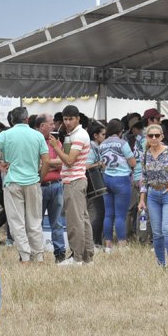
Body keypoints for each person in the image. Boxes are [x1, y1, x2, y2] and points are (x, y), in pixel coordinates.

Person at [0, 107, 50, 263]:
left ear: (12, 121)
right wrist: (40, 177)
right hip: (32, 181)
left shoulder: (6, 135)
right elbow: (46, 160)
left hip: (12, 182)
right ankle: (38, 256)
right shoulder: (37, 135)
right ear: (27, 119)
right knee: (34, 221)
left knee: (17, 222)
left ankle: (25, 257)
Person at [49, 105, 94, 266]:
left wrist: (55, 147)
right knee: (83, 220)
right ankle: (87, 257)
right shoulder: (72, 134)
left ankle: (77, 258)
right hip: (74, 180)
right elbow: (66, 159)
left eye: (70, 119)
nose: (67, 122)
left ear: (77, 119)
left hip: (74, 182)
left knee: (75, 222)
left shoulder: (79, 136)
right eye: (65, 119)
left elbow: (68, 160)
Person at [137, 124, 168, 266]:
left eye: (157, 135)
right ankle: (160, 264)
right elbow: (144, 178)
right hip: (153, 195)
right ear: (147, 138)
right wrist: (142, 199)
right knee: (157, 233)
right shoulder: (144, 155)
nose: (154, 138)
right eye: (151, 136)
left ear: (162, 136)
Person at [99, 119, 137, 252]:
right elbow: (133, 163)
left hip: (106, 178)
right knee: (121, 215)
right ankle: (122, 243)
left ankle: (108, 244)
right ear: (120, 131)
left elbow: (102, 163)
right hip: (121, 179)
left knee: (108, 214)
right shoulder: (123, 143)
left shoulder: (102, 144)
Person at [34, 113, 67, 263]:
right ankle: (37, 253)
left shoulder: (55, 142)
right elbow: (36, 165)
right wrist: (52, 163)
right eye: (51, 123)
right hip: (39, 186)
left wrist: (47, 163)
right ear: (42, 126)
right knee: (36, 223)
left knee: (57, 222)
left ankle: (60, 254)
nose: (54, 126)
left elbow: (62, 162)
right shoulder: (34, 141)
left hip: (55, 185)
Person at [86, 122, 106, 250]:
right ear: (95, 135)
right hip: (93, 183)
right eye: (103, 134)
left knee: (100, 212)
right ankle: (95, 241)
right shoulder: (91, 148)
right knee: (99, 212)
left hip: (96, 183)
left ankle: (96, 240)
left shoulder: (95, 147)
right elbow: (86, 166)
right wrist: (99, 164)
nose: (104, 137)